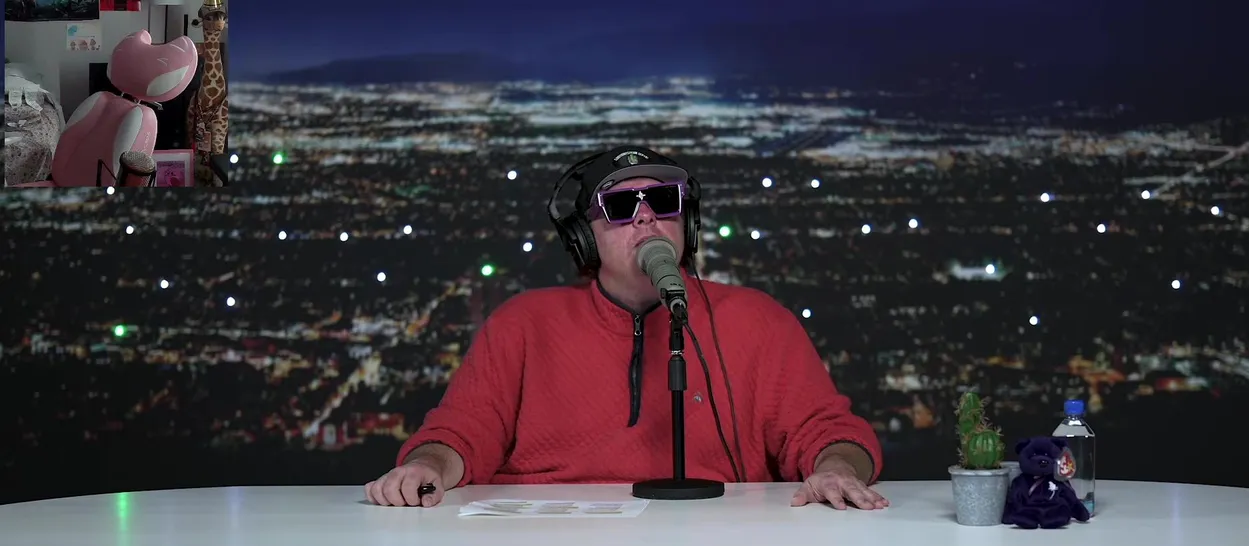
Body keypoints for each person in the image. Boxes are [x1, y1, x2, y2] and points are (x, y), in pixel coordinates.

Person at [365, 146, 887, 511]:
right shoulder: (521, 324)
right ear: (584, 239)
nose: (645, 218)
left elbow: (828, 431)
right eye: (620, 207)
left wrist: (837, 468)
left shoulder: (759, 320)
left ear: (687, 224)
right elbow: (462, 431)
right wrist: (428, 466)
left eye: (662, 203)